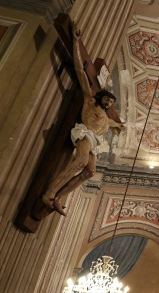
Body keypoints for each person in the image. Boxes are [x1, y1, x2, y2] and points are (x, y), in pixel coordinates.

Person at [41, 23, 124, 216]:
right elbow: (80, 71)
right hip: (84, 132)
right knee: (80, 162)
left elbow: (115, 124)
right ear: (100, 96)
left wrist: (118, 125)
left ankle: (59, 197)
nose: (108, 101)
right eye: (106, 97)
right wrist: (76, 42)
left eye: (110, 101)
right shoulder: (89, 100)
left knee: (89, 172)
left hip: (94, 139)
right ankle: (49, 193)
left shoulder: (106, 116)